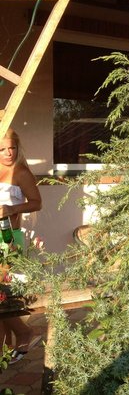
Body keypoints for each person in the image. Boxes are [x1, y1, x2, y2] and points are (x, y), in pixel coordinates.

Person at [0, 128, 42, 364]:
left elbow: (37, 203)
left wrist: (12, 209)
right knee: (2, 300)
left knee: (2, 298)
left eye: (12, 148)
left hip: (8, 241)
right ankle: (5, 349)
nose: (8, 153)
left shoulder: (21, 172)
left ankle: (24, 332)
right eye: (2, 149)